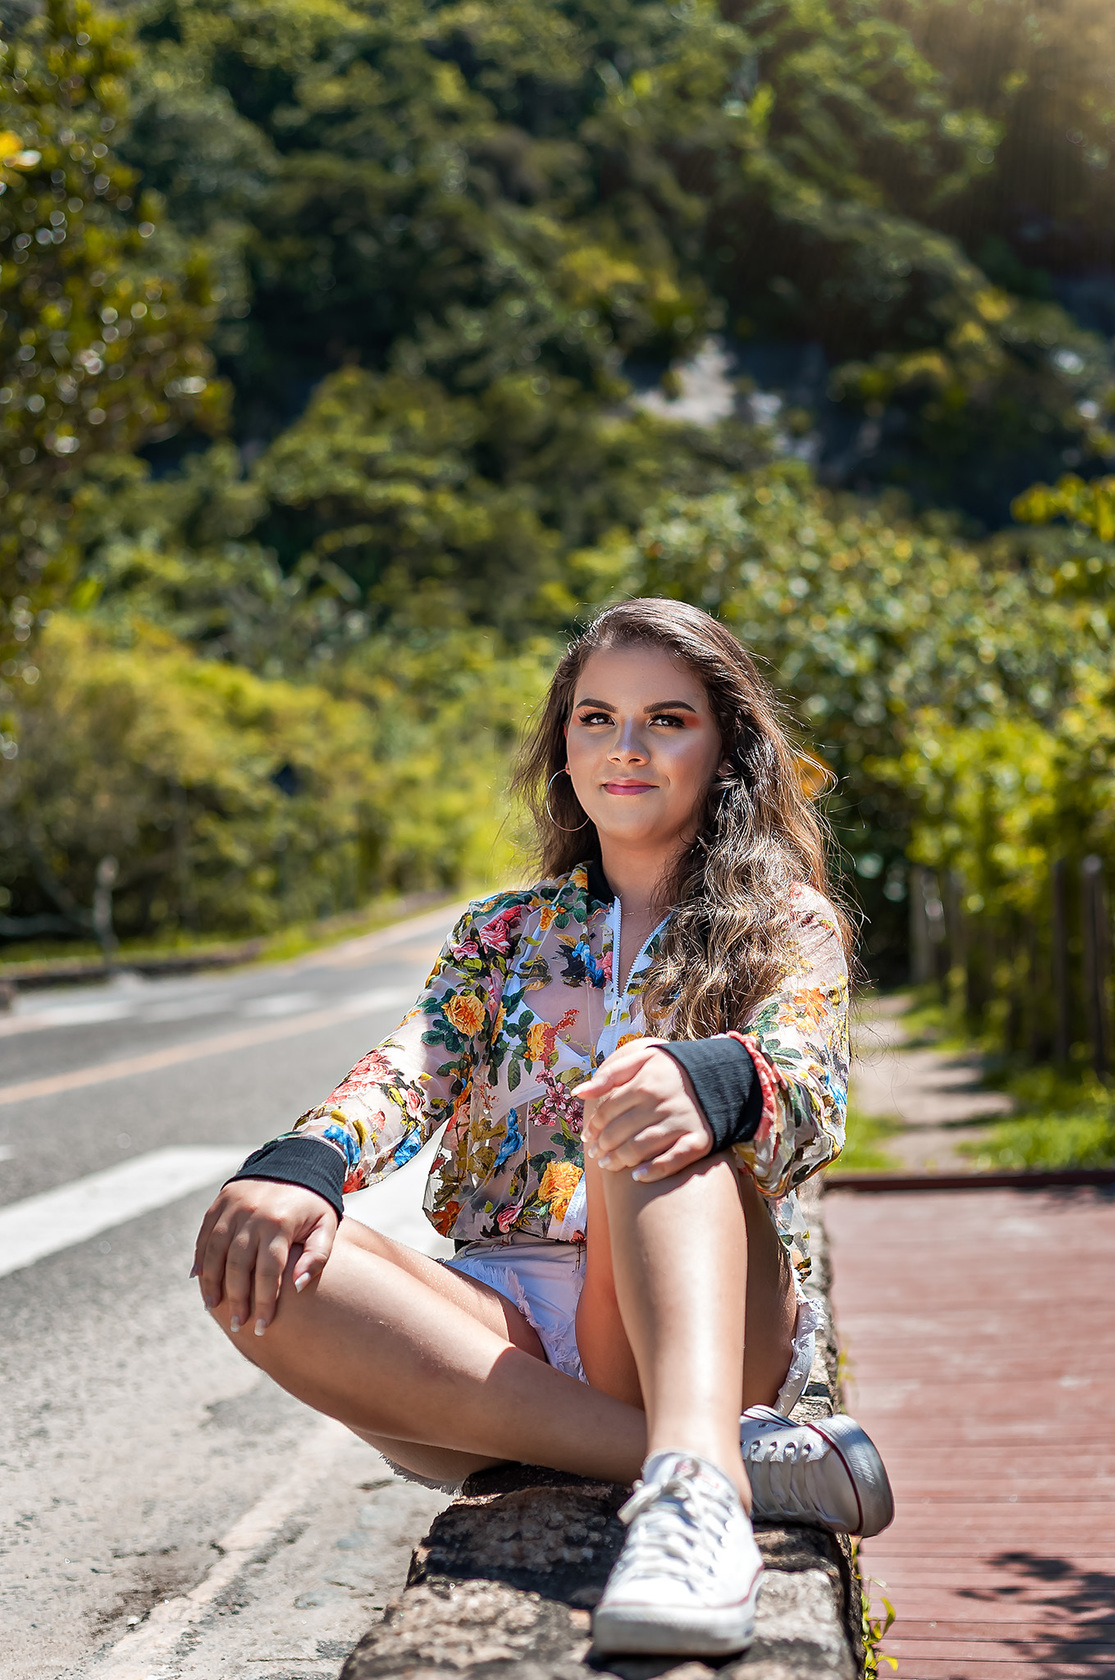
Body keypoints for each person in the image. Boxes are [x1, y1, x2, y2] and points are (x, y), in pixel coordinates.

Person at [192, 597, 893, 1659]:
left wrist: (698, 1076)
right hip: (497, 1325)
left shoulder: (783, 926)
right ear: (563, 745)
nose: (626, 748)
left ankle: (698, 1504)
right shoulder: (504, 933)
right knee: (261, 1262)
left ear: (725, 747)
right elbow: (411, 1070)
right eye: (596, 718)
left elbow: (808, 1098)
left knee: (649, 1094)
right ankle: (715, 1461)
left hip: (689, 1311)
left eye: (667, 720)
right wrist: (302, 1166)